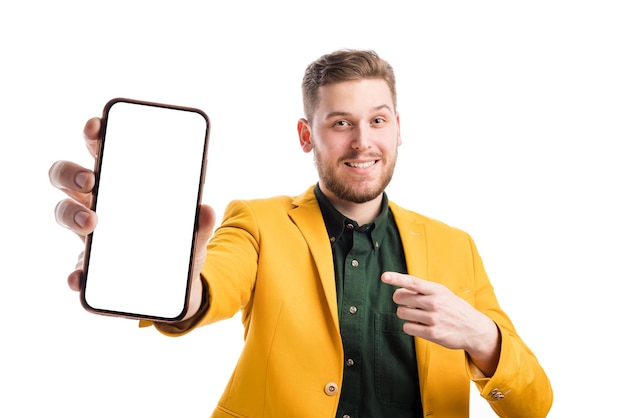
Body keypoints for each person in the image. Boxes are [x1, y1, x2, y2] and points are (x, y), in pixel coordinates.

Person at [49, 49, 553, 417]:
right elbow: (209, 289)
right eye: (340, 123)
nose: (363, 142)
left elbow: (533, 405)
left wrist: (482, 338)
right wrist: (168, 276)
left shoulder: (454, 246)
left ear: (398, 127)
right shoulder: (258, 221)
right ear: (306, 135)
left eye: (378, 120)